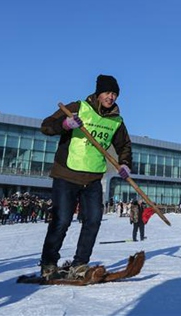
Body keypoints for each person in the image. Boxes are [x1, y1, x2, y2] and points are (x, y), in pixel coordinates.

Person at [39, 74, 133, 280]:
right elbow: (46, 126)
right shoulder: (77, 107)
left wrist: (124, 164)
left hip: (92, 178)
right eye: (108, 92)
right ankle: (48, 263)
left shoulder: (116, 120)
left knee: (94, 220)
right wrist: (64, 125)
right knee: (62, 220)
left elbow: (124, 145)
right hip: (67, 173)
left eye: (115, 94)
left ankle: (80, 263)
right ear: (99, 93)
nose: (111, 97)